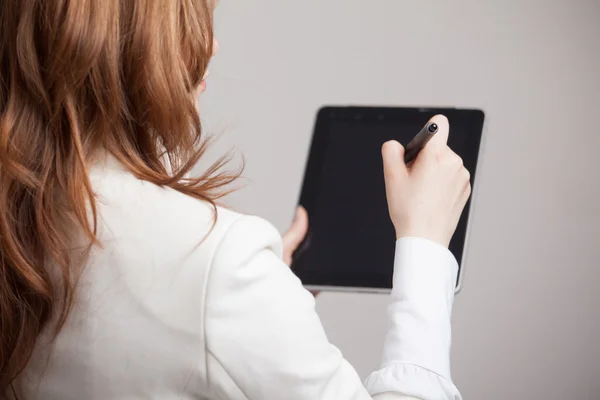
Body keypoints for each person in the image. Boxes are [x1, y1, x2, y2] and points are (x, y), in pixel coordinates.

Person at [0, 1, 470, 399]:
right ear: (121, 47)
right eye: (187, 23)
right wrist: (425, 247)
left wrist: (261, 297)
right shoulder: (218, 264)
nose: (212, 45)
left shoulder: (16, 220)